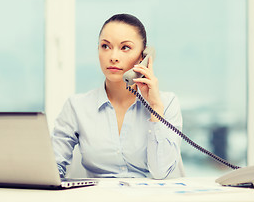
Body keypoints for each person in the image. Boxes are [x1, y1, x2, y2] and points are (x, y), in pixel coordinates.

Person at [52, 13, 183, 179]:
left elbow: (161, 173)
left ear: (144, 56)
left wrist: (155, 108)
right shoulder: (76, 106)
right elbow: (52, 168)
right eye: (105, 46)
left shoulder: (167, 103)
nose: (113, 57)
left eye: (125, 48)